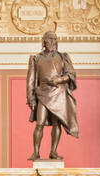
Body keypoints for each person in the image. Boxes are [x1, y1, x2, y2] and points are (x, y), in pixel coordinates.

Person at [27, 32, 78, 161]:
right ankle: (36, 152)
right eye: (50, 39)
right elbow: (31, 80)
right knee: (40, 123)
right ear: (44, 41)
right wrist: (30, 98)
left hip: (58, 93)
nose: (53, 42)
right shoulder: (36, 58)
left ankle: (53, 151)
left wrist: (59, 80)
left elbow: (71, 74)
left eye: (55, 39)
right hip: (42, 93)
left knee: (57, 124)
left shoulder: (63, 57)